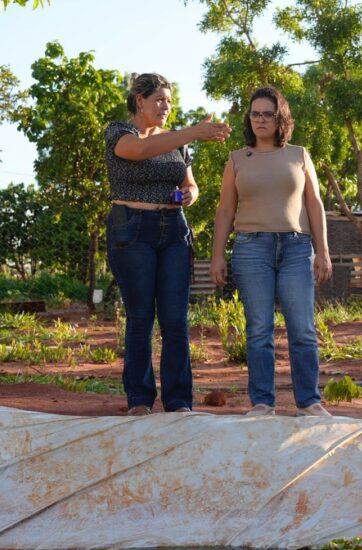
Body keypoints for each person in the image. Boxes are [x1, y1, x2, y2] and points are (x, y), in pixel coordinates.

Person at [106, 73, 231, 416]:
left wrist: (190, 194)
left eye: (169, 101)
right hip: (132, 231)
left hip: (174, 230)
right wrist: (193, 131)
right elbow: (142, 150)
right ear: (140, 100)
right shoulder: (119, 132)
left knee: (175, 319)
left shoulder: (176, 142)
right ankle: (141, 400)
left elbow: (192, 184)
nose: (166, 106)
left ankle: (178, 401)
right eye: (159, 99)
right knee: (141, 317)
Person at [210, 86, 333, 417]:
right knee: (259, 328)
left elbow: (315, 204)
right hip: (251, 249)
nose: (261, 119)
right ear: (248, 119)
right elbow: (225, 210)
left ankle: (309, 401)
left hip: (296, 247)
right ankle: (263, 402)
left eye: (268, 114)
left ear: (281, 118)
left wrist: (322, 250)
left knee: (302, 328)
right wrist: (218, 255)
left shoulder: (299, 155)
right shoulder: (237, 159)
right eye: (255, 114)